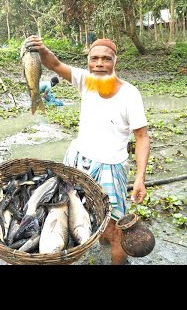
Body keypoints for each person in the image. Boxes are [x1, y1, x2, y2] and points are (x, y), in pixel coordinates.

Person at [24, 36, 150, 265]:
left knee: (114, 228)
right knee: (73, 211)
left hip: (110, 167)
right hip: (78, 158)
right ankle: (97, 240)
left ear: (115, 62)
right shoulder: (86, 81)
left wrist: (140, 178)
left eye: (105, 59)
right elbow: (54, 64)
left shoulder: (130, 94)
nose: (99, 63)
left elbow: (141, 138)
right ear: (89, 61)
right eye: (94, 59)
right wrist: (41, 49)